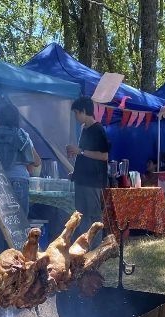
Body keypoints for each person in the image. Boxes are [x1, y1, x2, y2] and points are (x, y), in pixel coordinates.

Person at [0, 103, 37, 255]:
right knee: (20, 223)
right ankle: (19, 262)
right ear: (16, 118)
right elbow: (32, 160)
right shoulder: (22, 135)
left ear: (0, 118)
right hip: (20, 180)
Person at [66, 96, 110, 245]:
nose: (76, 117)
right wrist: (77, 172)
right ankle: (83, 249)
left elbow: (104, 156)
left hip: (93, 181)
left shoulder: (98, 129)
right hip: (82, 180)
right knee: (81, 216)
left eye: (76, 113)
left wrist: (80, 151)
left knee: (93, 218)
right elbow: (84, 154)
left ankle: (95, 250)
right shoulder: (85, 129)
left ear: (84, 111)